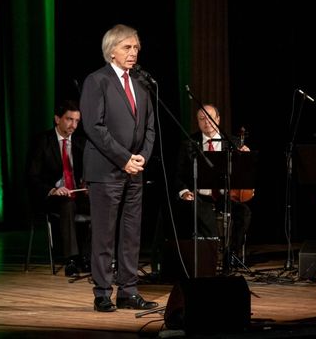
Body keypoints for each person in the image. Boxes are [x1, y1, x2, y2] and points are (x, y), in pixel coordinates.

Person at [80, 24, 157, 312]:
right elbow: (94, 127)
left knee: (131, 234)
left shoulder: (140, 82)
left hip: (134, 171)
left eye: (136, 47)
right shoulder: (97, 80)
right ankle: (102, 292)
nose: (133, 52)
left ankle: (128, 291)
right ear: (111, 51)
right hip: (105, 171)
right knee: (104, 235)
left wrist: (142, 158)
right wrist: (124, 158)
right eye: (127, 47)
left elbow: (149, 127)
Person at [175, 104, 252, 264]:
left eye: (210, 118)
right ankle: (207, 259)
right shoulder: (189, 143)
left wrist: (246, 160)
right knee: (196, 211)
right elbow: (178, 174)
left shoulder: (233, 142)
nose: (206, 122)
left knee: (243, 212)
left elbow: (245, 174)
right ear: (198, 122)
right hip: (199, 196)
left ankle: (231, 256)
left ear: (218, 119)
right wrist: (184, 191)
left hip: (225, 197)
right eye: (202, 119)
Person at [26, 99, 90, 277]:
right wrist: (53, 190)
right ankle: (71, 259)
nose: (74, 125)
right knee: (67, 204)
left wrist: (87, 185)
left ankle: (88, 257)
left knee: (100, 204)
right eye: (69, 119)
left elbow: (87, 172)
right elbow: (31, 177)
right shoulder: (42, 141)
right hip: (51, 197)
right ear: (57, 119)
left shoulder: (81, 143)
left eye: (77, 121)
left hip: (76, 194)